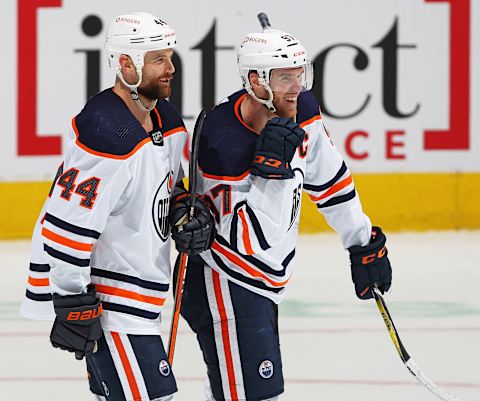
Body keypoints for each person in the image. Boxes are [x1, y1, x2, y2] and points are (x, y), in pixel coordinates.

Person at [179, 21, 393, 401]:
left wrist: (361, 242)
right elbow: (249, 241)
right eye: (285, 78)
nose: (297, 89)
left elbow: (330, 179)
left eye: (300, 75)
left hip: (262, 283)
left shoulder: (301, 110)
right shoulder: (220, 140)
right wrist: (269, 176)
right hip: (226, 280)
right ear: (256, 82)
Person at [20, 12, 215, 401]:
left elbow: (167, 185)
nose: (171, 68)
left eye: (169, 57)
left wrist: (181, 208)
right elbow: (66, 223)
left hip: (140, 290)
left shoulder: (167, 119)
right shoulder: (107, 133)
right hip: (110, 297)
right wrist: (72, 297)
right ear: (126, 63)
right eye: (158, 59)